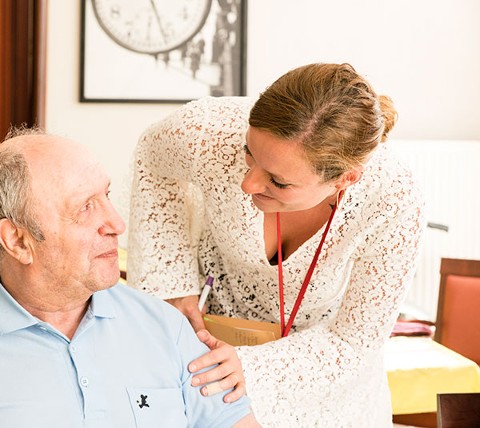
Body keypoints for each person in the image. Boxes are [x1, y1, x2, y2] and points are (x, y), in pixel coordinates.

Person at [0, 128, 260, 427]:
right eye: (85, 207)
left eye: (107, 197)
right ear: (19, 241)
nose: (116, 223)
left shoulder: (167, 330)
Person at [127, 63, 426, 426]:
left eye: (279, 182)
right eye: (248, 153)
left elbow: (353, 343)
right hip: (208, 361)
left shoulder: (393, 198)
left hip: (326, 388)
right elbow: (153, 159)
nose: (248, 185)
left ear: (344, 179)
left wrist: (249, 365)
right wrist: (171, 284)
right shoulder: (209, 131)